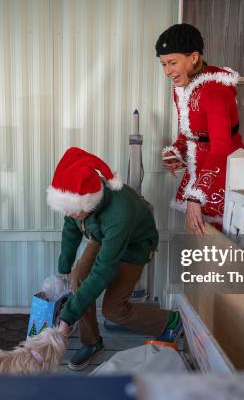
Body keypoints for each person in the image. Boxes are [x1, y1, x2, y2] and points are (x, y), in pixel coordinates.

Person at [48, 147, 183, 371]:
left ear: (89, 203)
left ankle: (170, 320)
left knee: (113, 310)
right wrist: (64, 269)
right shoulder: (78, 203)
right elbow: (71, 229)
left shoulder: (119, 212)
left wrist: (67, 317)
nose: (69, 214)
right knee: (78, 278)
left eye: (73, 210)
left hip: (134, 246)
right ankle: (92, 343)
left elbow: (103, 271)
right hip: (103, 234)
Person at [157, 23, 244, 235]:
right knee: (200, 250)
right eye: (163, 64)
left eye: (172, 63)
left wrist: (196, 195)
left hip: (225, 173)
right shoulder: (183, 86)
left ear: (193, 58)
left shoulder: (215, 90)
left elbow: (221, 147)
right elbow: (190, 132)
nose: (167, 71)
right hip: (199, 169)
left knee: (224, 249)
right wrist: (175, 151)